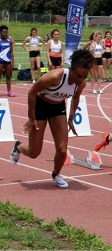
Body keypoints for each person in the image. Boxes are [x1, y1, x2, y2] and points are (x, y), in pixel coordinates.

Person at [10, 49, 95, 188]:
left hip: (58, 108)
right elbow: (32, 92)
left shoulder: (81, 84)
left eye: (84, 77)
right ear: (71, 69)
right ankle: (18, 147)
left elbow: (76, 97)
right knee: (34, 152)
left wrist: (71, 118)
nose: (80, 80)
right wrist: (32, 118)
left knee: (62, 150)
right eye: (78, 76)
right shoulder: (55, 76)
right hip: (40, 106)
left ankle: (56, 174)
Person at [0, 25, 16, 97]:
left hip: (7, 61)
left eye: (6, 32)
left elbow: (11, 52)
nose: (5, 34)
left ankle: (9, 91)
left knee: (8, 76)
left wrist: (13, 62)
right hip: (0, 61)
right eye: (3, 32)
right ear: (0, 33)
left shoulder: (9, 40)